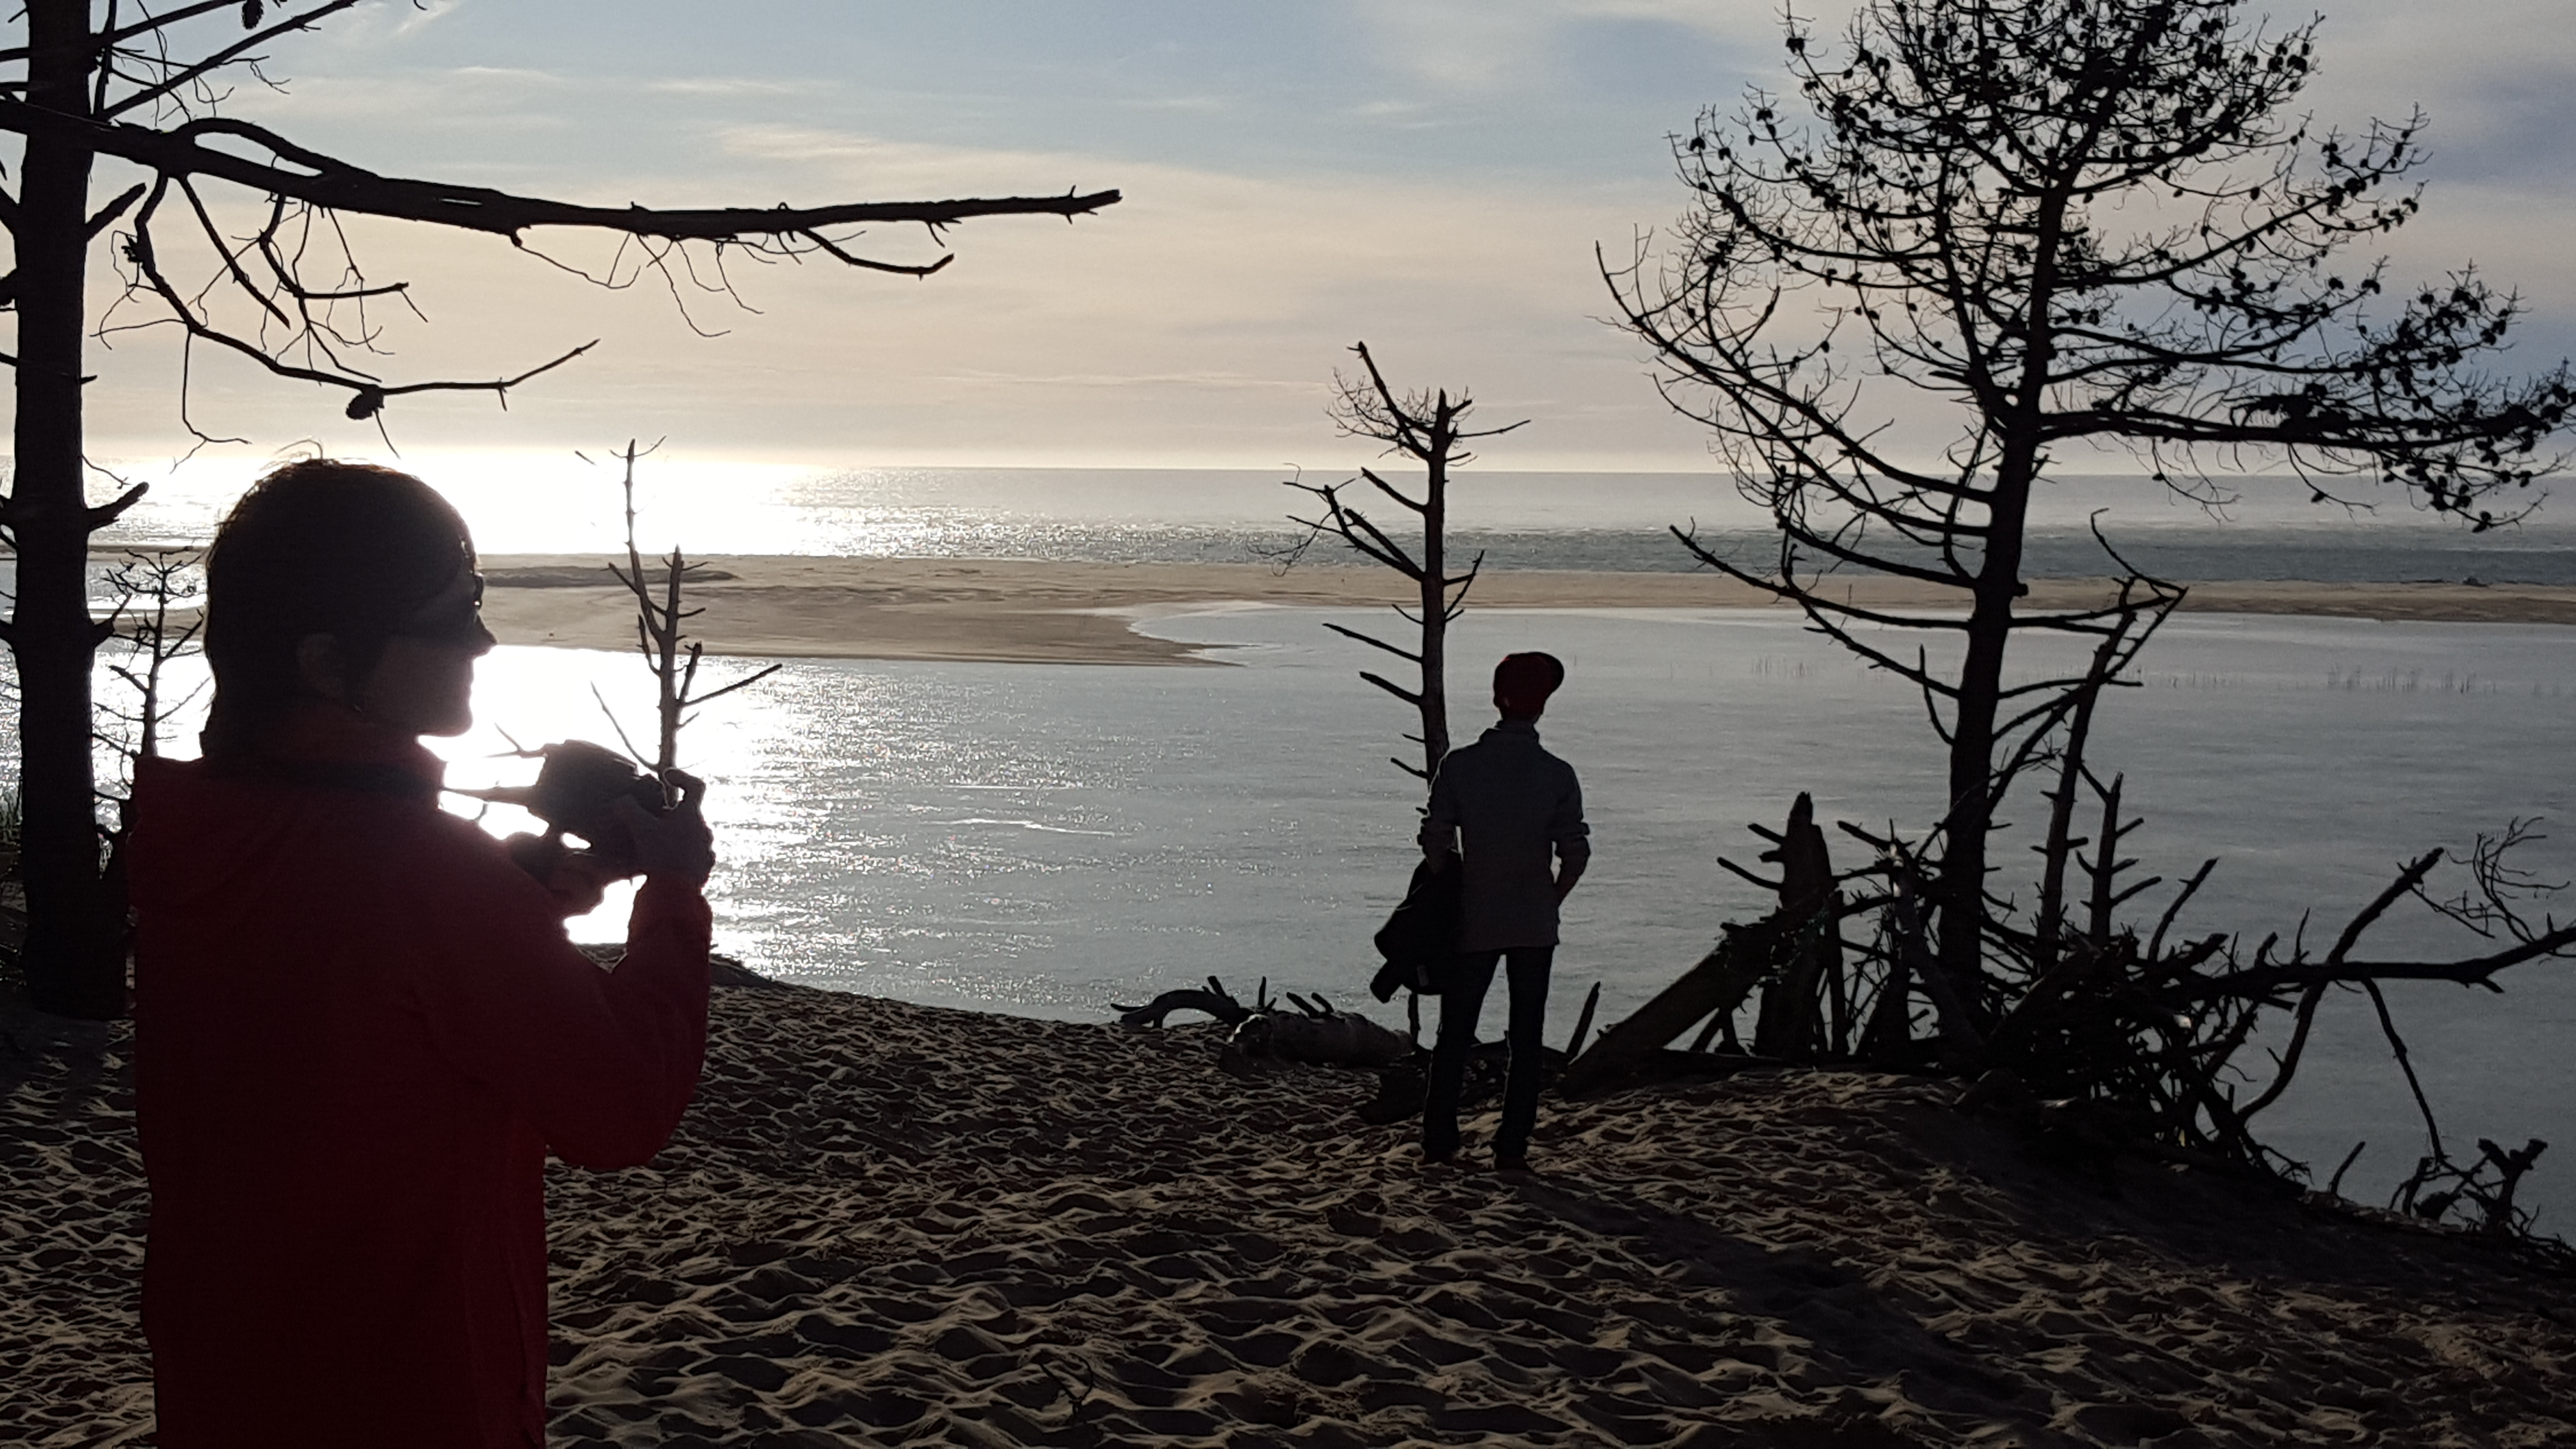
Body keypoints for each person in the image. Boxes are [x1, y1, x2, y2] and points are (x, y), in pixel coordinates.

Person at [128, 460, 716, 1449]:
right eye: (451, 617)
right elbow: (622, 1108)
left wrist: (544, 893)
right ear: (326, 663)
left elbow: (344, 982)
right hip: (411, 1387)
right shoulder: (426, 874)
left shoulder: (198, 833)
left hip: (226, 1373)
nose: (483, 640)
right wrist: (672, 897)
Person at [1417, 650, 1589, 1173]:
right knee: (1527, 1033)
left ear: (1498, 699)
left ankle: (1439, 1138)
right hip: (1534, 916)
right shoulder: (1556, 773)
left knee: (1455, 1029)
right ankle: (1511, 1143)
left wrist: (1447, 878)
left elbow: (1434, 836)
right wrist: (1551, 898)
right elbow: (1576, 853)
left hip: (1476, 911)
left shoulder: (1462, 766)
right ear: (1542, 707)